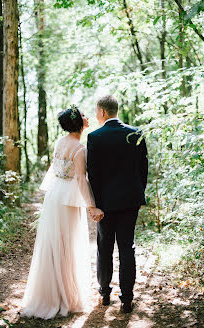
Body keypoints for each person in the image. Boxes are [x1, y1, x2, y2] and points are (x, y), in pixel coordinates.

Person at [21, 105, 103, 320]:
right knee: (67, 242)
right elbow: (80, 180)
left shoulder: (60, 142)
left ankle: (55, 293)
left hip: (54, 195)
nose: (87, 117)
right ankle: (65, 295)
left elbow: (55, 170)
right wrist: (91, 205)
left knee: (55, 242)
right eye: (84, 115)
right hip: (68, 199)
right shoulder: (80, 149)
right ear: (78, 122)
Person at [87, 95, 148, 313]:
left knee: (104, 247)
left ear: (102, 112)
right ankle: (127, 299)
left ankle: (104, 294)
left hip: (105, 204)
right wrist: (139, 196)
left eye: (96, 111)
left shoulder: (94, 137)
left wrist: (96, 204)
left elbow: (92, 175)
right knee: (127, 247)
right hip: (130, 200)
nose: (96, 115)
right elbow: (143, 169)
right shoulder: (135, 133)